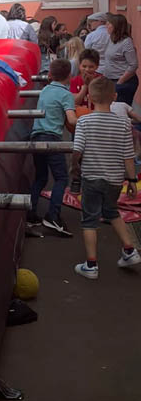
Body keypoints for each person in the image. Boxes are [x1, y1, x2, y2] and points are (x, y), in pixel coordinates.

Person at [70, 76, 140, 279]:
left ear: (90, 97)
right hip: (115, 179)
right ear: (115, 97)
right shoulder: (123, 124)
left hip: (92, 177)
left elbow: (78, 150)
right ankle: (129, 250)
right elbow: (128, 156)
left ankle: (91, 265)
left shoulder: (84, 121)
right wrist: (132, 180)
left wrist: (74, 169)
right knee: (112, 212)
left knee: (90, 220)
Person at [27, 58, 77, 236]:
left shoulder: (46, 90)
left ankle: (31, 213)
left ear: (50, 75)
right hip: (52, 138)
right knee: (62, 178)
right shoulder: (66, 95)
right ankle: (53, 216)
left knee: (40, 177)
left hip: (36, 136)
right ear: (69, 76)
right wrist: (87, 122)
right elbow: (71, 119)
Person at [103, 14, 138, 105]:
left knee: (120, 109)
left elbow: (133, 64)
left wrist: (120, 82)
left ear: (116, 26)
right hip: (111, 80)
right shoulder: (111, 40)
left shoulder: (126, 42)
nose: (106, 26)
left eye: (109, 23)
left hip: (123, 82)